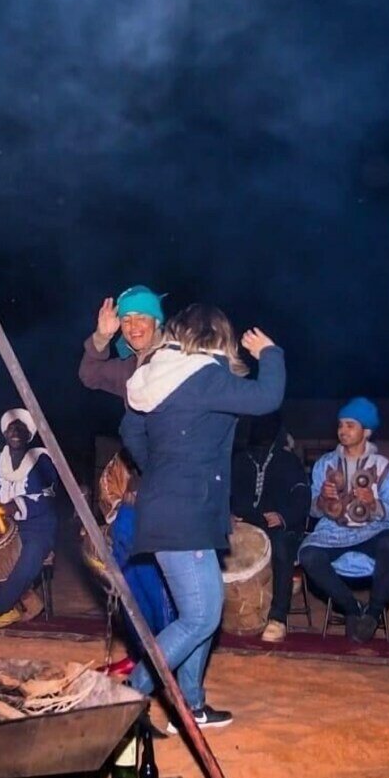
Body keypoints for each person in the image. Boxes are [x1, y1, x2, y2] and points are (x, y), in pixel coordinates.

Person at [120, 304, 285, 728]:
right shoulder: (205, 375)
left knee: (202, 616)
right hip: (186, 513)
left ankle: (190, 705)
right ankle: (127, 696)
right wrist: (270, 353)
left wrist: (159, 472)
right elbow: (268, 398)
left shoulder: (157, 375)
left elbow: (130, 429)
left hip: (169, 507)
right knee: (200, 617)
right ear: (217, 337)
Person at [78, 285, 176, 674]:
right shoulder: (128, 368)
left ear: (158, 321)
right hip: (136, 490)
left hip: (170, 489)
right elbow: (88, 375)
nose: (134, 327)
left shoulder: (176, 361)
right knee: (128, 575)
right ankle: (141, 654)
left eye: (142, 318)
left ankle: (168, 660)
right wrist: (102, 336)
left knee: (163, 579)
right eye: (127, 320)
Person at [298, 398, 389, 643]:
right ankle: (353, 609)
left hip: (373, 531)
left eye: (350, 425)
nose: (343, 431)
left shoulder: (386, 467)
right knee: (309, 555)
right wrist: (323, 500)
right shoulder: (325, 464)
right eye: (340, 425)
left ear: (366, 431)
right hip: (335, 532)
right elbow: (313, 511)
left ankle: (373, 613)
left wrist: (373, 502)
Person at [0, 408, 59, 629]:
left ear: (30, 435)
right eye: (11, 427)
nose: (16, 431)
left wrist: (12, 506)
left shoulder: (43, 460)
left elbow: (48, 497)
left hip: (38, 527)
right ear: (4, 433)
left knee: (32, 551)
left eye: (22, 428)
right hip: (3, 527)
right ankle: (14, 603)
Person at [230, 411, 310, 642]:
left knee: (282, 547)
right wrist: (227, 514)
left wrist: (284, 516)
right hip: (244, 523)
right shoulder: (239, 460)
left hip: (278, 525)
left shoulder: (288, 461)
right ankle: (225, 613)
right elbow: (224, 494)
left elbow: (302, 497)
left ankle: (277, 617)